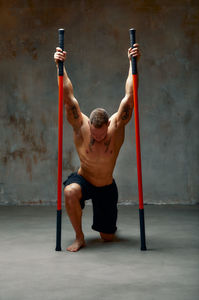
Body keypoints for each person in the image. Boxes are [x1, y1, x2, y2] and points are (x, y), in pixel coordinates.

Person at [54, 43, 141, 252]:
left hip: (106, 186)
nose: (97, 138)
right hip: (84, 179)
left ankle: (108, 226)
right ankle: (79, 237)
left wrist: (133, 62)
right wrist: (60, 65)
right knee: (70, 191)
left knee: (107, 238)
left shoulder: (117, 126)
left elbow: (129, 99)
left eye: (101, 135)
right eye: (94, 134)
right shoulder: (81, 126)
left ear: (109, 125)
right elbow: (67, 98)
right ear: (89, 126)